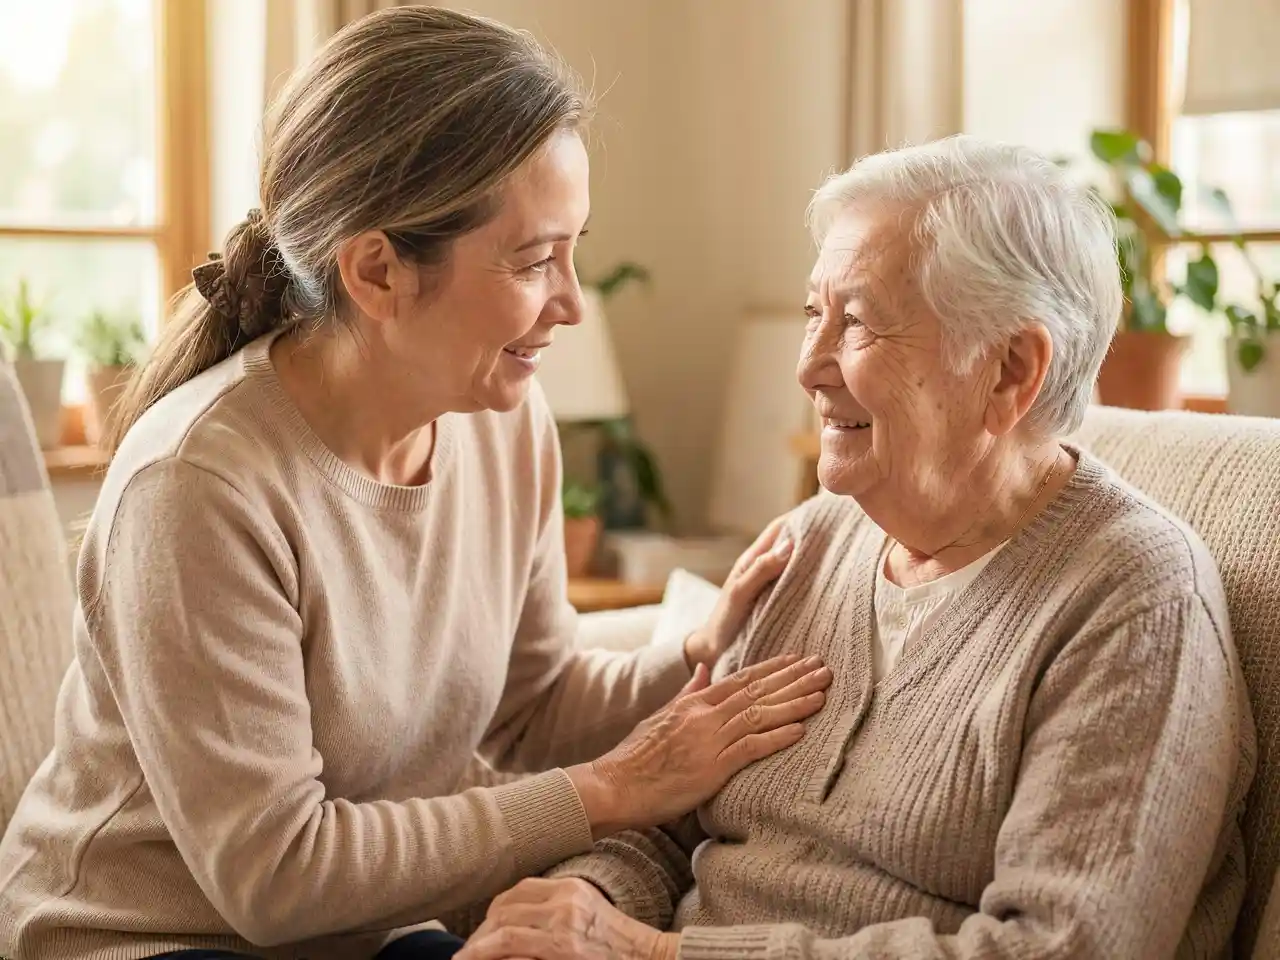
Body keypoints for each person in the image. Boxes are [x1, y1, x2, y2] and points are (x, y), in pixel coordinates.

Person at [0, 8, 833, 960]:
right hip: (146, 938)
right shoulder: (198, 486)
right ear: (377, 271)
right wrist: (609, 791)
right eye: (532, 261)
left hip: (356, 934)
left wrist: (704, 651)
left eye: (574, 248)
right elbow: (278, 876)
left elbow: (534, 705)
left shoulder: (506, 423)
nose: (569, 301)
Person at [452, 136, 1258, 960]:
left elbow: (1058, 950)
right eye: (814, 314)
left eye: (860, 322)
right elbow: (662, 824)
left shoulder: (1134, 602)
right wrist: (577, 899)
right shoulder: (811, 544)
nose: (808, 366)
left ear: (1011, 370)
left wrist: (647, 953)